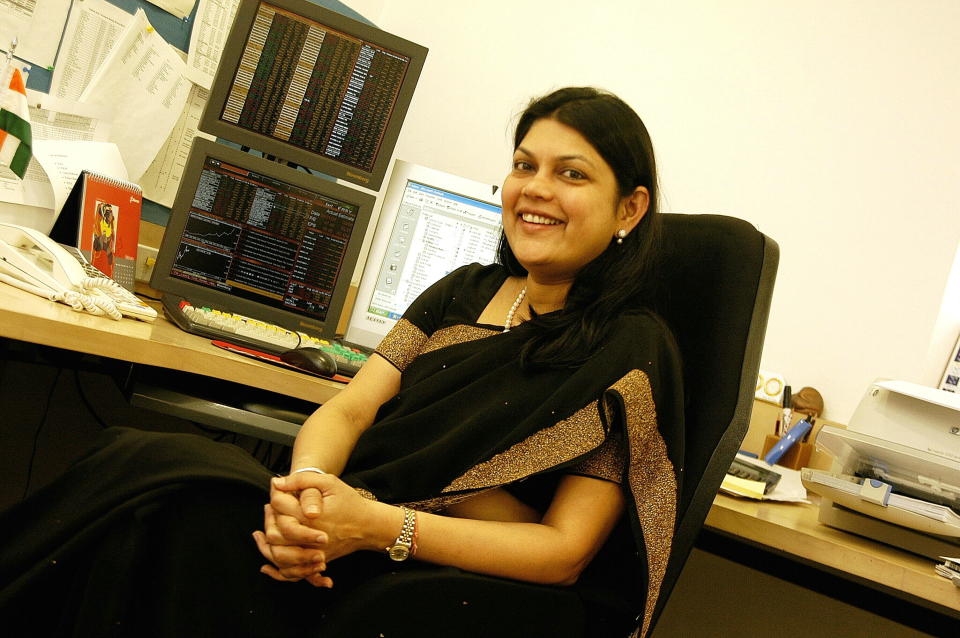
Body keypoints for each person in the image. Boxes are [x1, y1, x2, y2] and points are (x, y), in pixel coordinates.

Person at [0, 87, 684, 638]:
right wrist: (307, 493)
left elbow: (564, 553)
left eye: (571, 174)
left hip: (430, 576)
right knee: (148, 466)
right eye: (524, 165)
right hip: (340, 525)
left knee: (173, 509)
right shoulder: (462, 291)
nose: (535, 188)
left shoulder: (625, 350)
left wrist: (376, 525)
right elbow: (352, 407)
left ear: (630, 207)